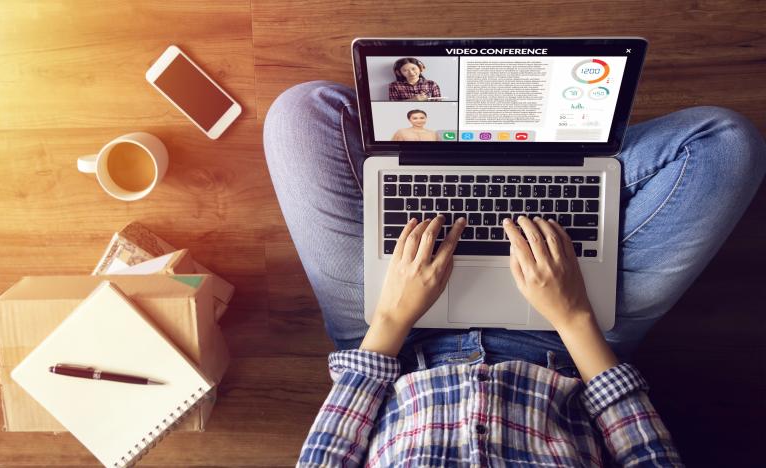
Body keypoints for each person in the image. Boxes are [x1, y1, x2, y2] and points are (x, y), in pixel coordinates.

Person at [263, 81, 766, 466]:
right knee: (724, 146)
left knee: (301, 114)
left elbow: (331, 449)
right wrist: (572, 316)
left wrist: (393, 316)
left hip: (396, 339)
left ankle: (489, 161)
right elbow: (645, 451)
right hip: (571, 344)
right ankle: (549, 157)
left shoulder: (392, 324)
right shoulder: (574, 325)